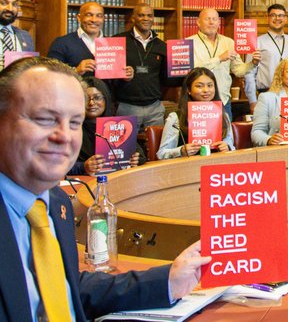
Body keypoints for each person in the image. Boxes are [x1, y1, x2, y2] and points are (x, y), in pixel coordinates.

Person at [0, 57, 208, 321]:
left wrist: (167, 280)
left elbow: (66, 287)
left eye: (75, 122)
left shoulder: (57, 203)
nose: (64, 136)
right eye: (44, 119)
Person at [112, 4, 176, 128]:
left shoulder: (162, 46)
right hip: (126, 107)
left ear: (153, 19)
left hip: (155, 108)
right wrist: (120, 75)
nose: (146, 18)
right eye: (141, 15)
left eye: (149, 15)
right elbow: (107, 75)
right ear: (133, 18)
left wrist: (184, 71)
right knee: (126, 146)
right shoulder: (117, 41)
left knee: (156, 146)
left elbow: (167, 80)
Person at [188, 8, 258, 119]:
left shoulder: (229, 42)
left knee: (226, 135)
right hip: (197, 102)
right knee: (202, 136)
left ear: (219, 22)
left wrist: (253, 63)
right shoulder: (188, 42)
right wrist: (219, 58)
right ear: (198, 22)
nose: (211, 22)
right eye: (207, 19)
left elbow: (238, 70)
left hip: (223, 101)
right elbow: (191, 70)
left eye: (214, 19)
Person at [69, 77, 143, 176]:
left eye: (97, 97)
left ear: (106, 99)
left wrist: (136, 159)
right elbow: (59, 165)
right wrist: (83, 167)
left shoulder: (118, 124)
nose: (91, 103)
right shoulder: (71, 128)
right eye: (86, 98)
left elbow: (140, 154)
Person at [157, 68, 234, 159]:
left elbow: (231, 146)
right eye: (199, 86)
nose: (206, 90)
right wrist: (181, 151)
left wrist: (227, 147)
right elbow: (161, 154)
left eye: (210, 85)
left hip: (216, 167)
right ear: (188, 90)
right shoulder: (175, 117)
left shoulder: (223, 115)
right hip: (187, 168)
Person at [47, 1, 105, 76]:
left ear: (103, 19)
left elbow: (115, 82)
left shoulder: (113, 45)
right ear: (79, 18)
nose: (94, 20)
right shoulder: (61, 43)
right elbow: (51, 74)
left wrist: (123, 75)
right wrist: (76, 71)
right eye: (89, 15)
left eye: (99, 16)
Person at [0, 0, 35, 69]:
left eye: (14, 4)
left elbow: (29, 67)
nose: (10, 9)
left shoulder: (25, 36)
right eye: (3, 3)